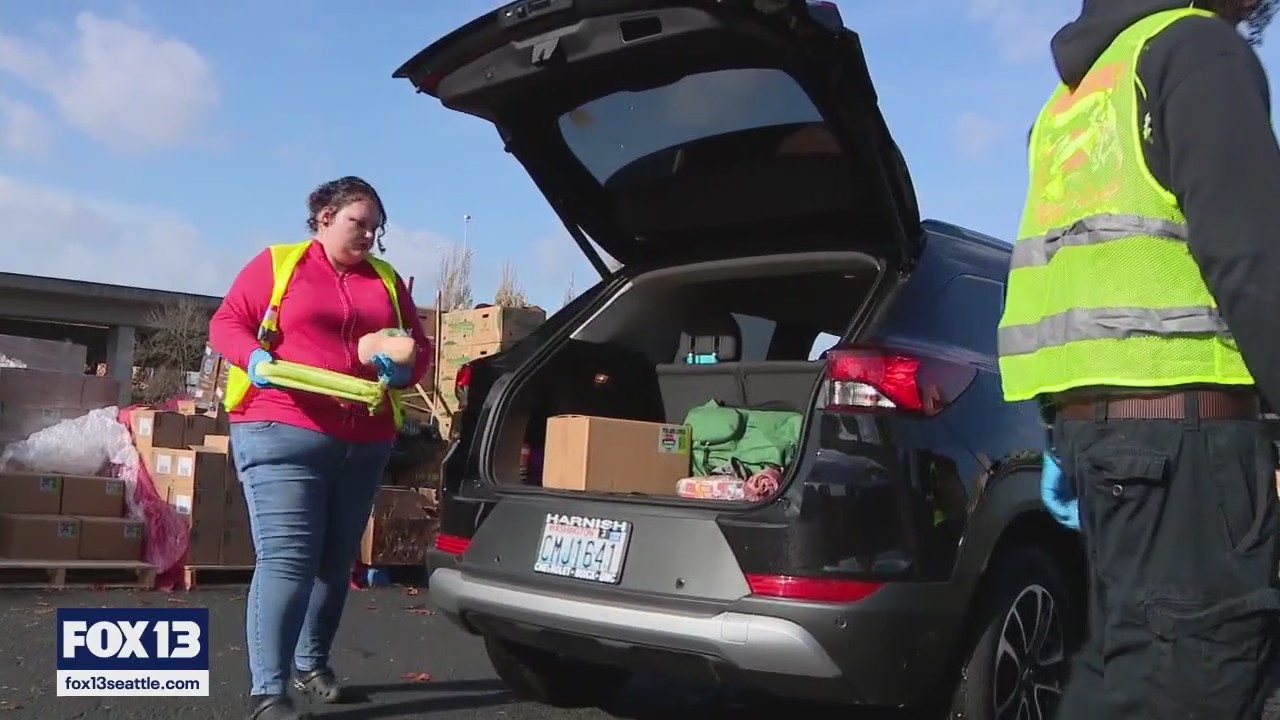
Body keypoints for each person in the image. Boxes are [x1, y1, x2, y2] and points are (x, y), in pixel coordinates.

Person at [996, 1, 1280, 717]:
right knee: (1195, 678)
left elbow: (1061, 286)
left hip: (1102, 450)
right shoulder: (1195, 52)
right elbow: (1257, 265)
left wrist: (1063, 429)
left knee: (1123, 673)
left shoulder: (1069, 102)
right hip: (1192, 448)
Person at [208, 176, 431, 720]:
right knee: (288, 559)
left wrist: (401, 369)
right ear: (324, 216)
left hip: (365, 437)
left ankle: (312, 665)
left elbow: (419, 351)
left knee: (336, 564)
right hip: (283, 427)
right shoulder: (279, 264)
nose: (369, 237)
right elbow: (227, 322)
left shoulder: (386, 281)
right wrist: (252, 358)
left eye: (376, 228)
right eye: (359, 223)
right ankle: (269, 691)